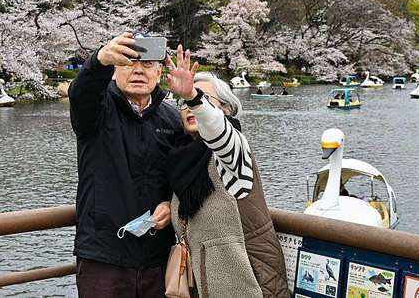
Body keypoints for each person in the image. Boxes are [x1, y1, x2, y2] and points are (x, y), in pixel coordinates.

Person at [165, 45, 288, 298]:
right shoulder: (181, 160)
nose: (189, 107)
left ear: (226, 109)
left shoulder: (234, 150)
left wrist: (192, 96)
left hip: (250, 284)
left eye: (202, 99)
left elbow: (218, 132)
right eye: (183, 103)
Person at [69, 32, 183, 298]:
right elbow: (81, 94)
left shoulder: (172, 119)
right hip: (103, 256)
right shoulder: (96, 111)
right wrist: (99, 60)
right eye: (129, 62)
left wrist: (171, 202)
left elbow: (184, 175)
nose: (138, 71)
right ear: (114, 70)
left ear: (159, 72)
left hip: (157, 257)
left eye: (147, 64)